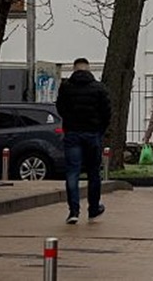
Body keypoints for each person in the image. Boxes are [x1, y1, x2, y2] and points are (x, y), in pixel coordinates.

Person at [55, 58, 112, 224]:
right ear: (88, 70)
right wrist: (100, 129)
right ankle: (93, 208)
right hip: (93, 134)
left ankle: (73, 211)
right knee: (94, 172)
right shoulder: (99, 88)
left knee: (73, 171)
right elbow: (107, 111)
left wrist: (70, 122)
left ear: (74, 69)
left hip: (72, 133)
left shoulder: (66, 87)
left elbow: (60, 108)